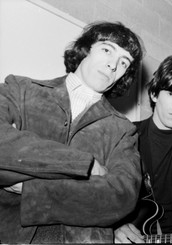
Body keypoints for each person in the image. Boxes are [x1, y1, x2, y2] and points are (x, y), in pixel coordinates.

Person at [0, 21, 144, 243]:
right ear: (86, 49)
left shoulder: (123, 129)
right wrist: (84, 165)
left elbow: (121, 196)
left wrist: (33, 190)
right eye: (107, 50)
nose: (113, 66)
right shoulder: (21, 90)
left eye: (123, 63)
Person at [114, 55, 172, 243]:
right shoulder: (125, 134)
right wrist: (115, 226)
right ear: (154, 94)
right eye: (171, 94)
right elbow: (101, 195)